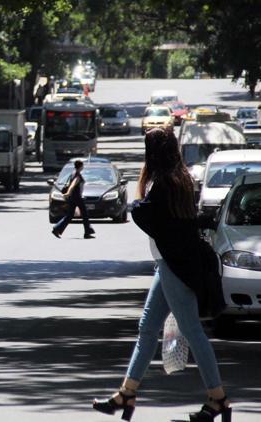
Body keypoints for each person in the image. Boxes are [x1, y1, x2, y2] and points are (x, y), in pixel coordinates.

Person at [93, 128, 230, 422]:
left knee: (192, 330)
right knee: (147, 328)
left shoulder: (165, 183)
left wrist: (135, 204)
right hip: (171, 263)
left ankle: (218, 399)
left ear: (153, 151)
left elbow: (148, 216)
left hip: (174, 265)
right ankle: (126, 393)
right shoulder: (179, 178)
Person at [52, 160, 95, 239]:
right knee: (85, 214)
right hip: (77, 197)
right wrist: (68, 192)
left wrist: (69, 194)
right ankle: (87, 232)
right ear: (81, 166)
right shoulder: (77, 175)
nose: (83, 167)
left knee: (70, 215)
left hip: (73, 197)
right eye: (83, 166)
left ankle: (57, 229)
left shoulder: (72, 173)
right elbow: (72, 185)